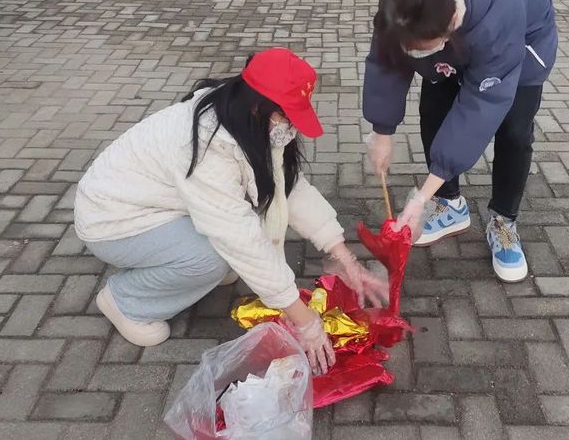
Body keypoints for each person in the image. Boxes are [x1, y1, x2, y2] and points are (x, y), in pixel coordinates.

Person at [75, 48, 387, 375]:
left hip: (161, 205)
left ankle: (182, 265)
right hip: (113, 220)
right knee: (213, 257)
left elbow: (289, 189)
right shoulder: (206, 145)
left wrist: (343, 255)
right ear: (256, 106)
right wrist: (303, 318)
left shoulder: (243, 117)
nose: (291, 125)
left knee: (230, 246)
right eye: (286, 115)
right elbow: (237, 236)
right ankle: (126, 301)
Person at [363, 0, 558, 283]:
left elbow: (479, 109)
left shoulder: (498, 14)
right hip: (455, 40)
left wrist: (420, 198)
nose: (414, 55)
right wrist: (382, 131)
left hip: (521, 40)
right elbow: (387, 61)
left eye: (422, 49)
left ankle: (503, 221)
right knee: (434, 109)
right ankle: (449, 204)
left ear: (452, 22)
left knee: (513, 128)